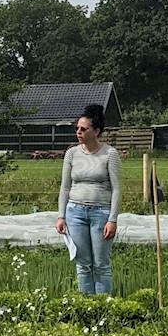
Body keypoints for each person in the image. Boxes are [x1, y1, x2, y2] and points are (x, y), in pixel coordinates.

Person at [55, 103, 121, 295]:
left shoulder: (110, 154)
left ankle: (103, 306)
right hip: (75, 212)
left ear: (96, 131)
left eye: (84, 129)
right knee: (83, 263)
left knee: (101, 263)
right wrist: (61, 215)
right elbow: (65, 187)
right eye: (77, 128)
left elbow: (117, 189)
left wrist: (113, 219)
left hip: (101, 213)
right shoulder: (72, 154)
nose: (79, 132)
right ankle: (87, 305)